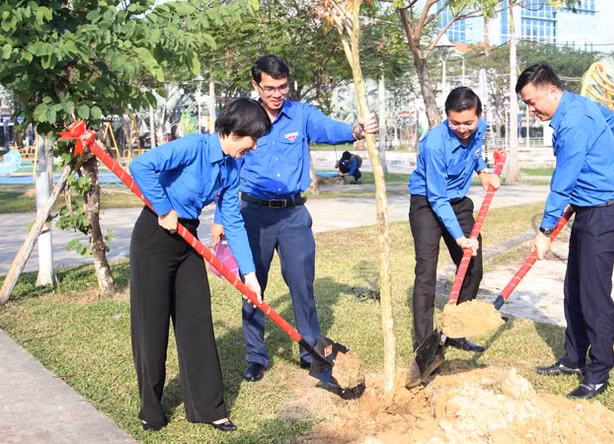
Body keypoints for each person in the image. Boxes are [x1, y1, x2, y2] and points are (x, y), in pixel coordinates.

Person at [211, 55, 378, 382]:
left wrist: (357, 129)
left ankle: (310, 351)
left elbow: (331, 129)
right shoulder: (245, 119)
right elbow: (227, 172)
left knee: (302, 284)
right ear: (256, 85)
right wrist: (219, 217)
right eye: (270, 87)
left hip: (293, 215)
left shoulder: (301, 115)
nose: (277, 93)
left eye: (283, 86)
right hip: (252, 215)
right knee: (252, 286)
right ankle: (256, 355)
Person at [128, 98, 267, 432]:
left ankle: (209, 407)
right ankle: (151, 409)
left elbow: (232, 220)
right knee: (152, 325)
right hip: (155, 235)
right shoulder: (194, 147)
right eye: (253, 139)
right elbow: (140, 166)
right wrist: (163, 208)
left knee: (196, 320)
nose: (254, 146)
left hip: (187, 239)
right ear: (235, 132)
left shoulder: (232, 169)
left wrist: (249, 275)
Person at [516, 63, 614, 400]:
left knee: (594, 297)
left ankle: (598, 373)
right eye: (527, 104)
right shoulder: (580, 106)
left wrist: (545, 229)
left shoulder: (573, 124)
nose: (532, 110)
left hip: (604, 213)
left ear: (552, 90)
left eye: (534, 102)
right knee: (574, 291)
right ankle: (573, 359)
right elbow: (611, 119)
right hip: (588, 210)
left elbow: (563, 180)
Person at [408, 86, 500, 354]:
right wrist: (460, 238)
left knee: (473, 265)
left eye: (469, 122)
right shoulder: (434, 144)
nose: (463, 129)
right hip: (427, 203)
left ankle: (457, 331)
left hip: (459, 203)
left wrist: (482, 171)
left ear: (478, 116)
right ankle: (425, 345)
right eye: (455, 123)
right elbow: (437, 199)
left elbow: (476, 152)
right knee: (426, 272)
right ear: (446, 117)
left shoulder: (479, 128)